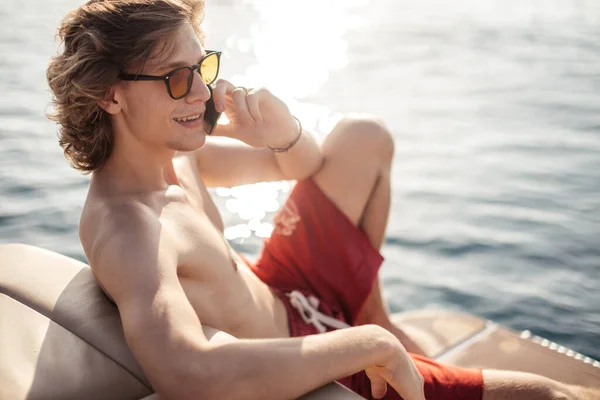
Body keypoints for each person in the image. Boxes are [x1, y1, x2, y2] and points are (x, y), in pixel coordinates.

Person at [46, 1, 597, 399]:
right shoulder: (129, 230)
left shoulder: (176, 155)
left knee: (362, 137)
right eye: (174, 78)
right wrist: (367, 346)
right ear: (108, 94)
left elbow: (304, 165)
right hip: (300, 355)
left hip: (285, 293)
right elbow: (188, 373)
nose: (202, 92)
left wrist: (279, 134)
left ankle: (367, 309)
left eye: (202, 67)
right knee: (545, 395)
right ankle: (370, 323)